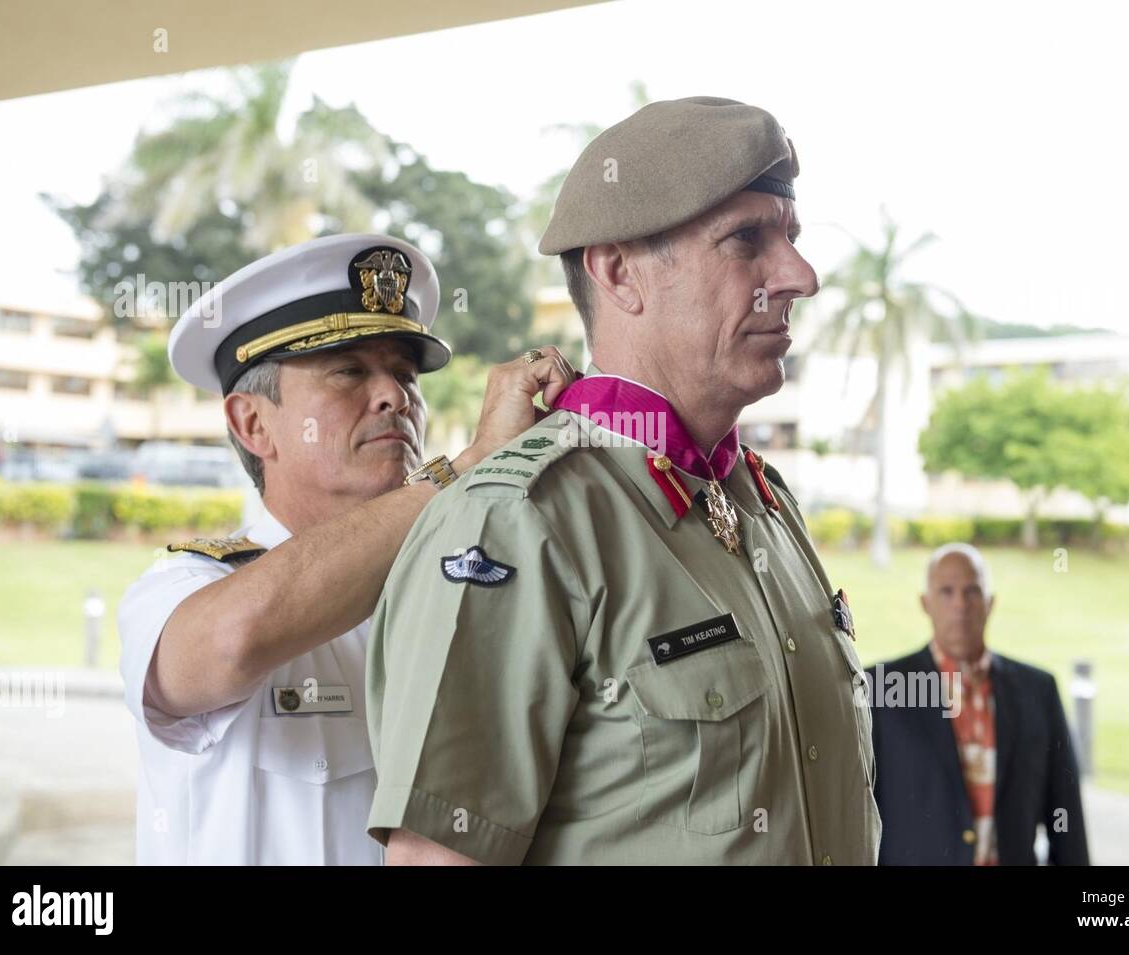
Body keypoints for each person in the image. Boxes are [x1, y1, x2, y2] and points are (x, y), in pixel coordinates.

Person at [365, 98, 880, 865]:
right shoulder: (514, 522)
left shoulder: (765, 505)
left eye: (792, 238)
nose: (799, 276)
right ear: (618, 271)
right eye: (747, 239)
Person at [118, 232, 575, 864]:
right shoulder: (185, 585)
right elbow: (233, 642)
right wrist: (465, 469)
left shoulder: (452, 582)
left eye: (405, 375)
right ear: (252, 423)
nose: (394, 396)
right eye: (350, 372)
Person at [870, 542, 1090, 865]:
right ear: (925, 603)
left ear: (990, 602)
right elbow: (855, 814)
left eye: (972, 591)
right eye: (946, 591)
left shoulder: (1038, 690)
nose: (960, 604)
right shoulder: (880, 689)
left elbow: (1068, 820)